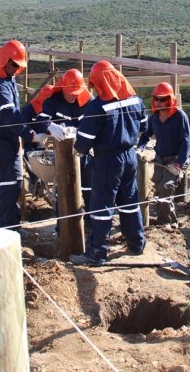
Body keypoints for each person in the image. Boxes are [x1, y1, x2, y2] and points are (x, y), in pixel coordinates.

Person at [70, 61, 148, 266]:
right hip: (130, 157)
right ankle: (137, 243)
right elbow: (144, 126)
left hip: (107, 160)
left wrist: (77, 150)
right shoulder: (136, 101)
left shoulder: (97, 106)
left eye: (94, 85)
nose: (93, 89)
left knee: (101, 207)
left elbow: (85, 139)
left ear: (99, 83)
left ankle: (97, 253)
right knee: (130, 202)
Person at [0, 39, 45, 230]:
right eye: (14, 64)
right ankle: (5, 229)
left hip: (9, 140)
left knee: (16, 183)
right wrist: (30, 134)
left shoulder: (8, 78)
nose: (17, 69)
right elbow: (9, 114)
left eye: (19, 66)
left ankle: (13, 226)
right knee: (7, 184)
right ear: (4, 60)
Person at [34, 69, 94, 209]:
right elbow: (40, 121)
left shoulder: (88, 100)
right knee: (65, 191)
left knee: (89, 187)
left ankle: (91, 222)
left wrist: (82, 132)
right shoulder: (53, 101)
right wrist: (50, 127)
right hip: (62, 153)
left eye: (76, 94)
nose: (73, 97)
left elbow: (97, 121)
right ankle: (63, 226)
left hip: (84, 151)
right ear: (63, 88)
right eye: (70, 93)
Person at [137, 82, 190, 226]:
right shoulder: (154, 118)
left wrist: (179, 164)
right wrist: (140, 148)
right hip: (160, 159)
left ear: (170, 99)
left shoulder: (180, 116)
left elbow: (187, 141)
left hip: (175, 160)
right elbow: (145, 135)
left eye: (162, 99)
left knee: (166, 187)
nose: (158, 102)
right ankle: (163, 216)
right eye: (156, 98)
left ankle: (167, 222)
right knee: (159, 187)